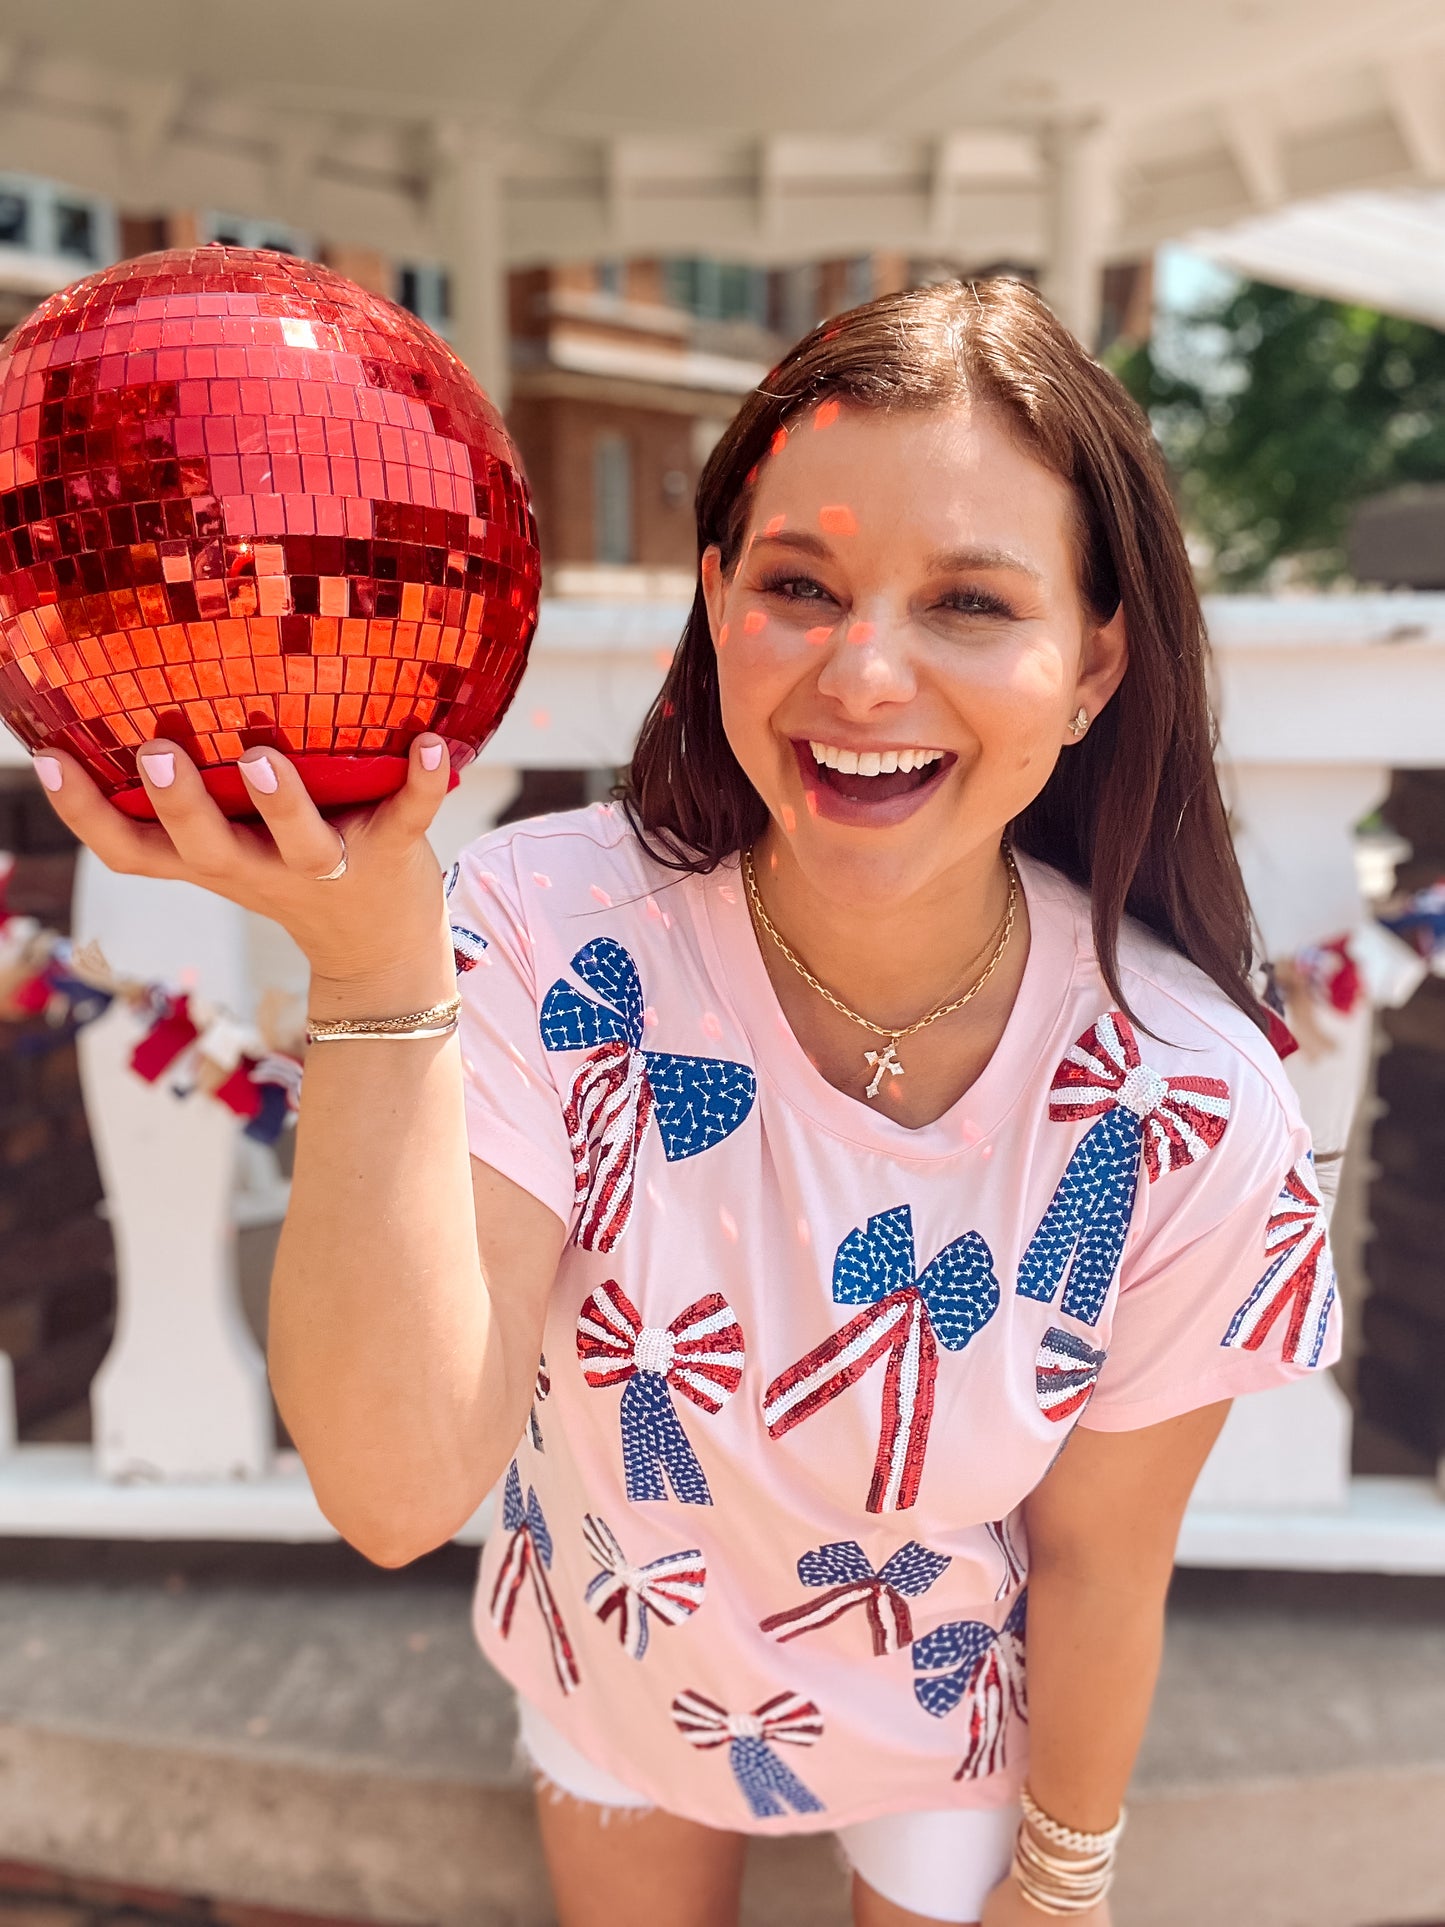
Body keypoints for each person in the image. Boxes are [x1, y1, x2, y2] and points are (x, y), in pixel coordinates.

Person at [35, 279, 1340, 1927]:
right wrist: (373, 964)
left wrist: (1061, 1877)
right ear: (715, 602)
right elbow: (393, 1487)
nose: (865, 672)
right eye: (802, 583)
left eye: (968, 604)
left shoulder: (1189, 1100)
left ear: (1091, 666)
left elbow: (1097, 1559)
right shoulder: (538, 939)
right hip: (609, 1669)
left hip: (949, 1730)